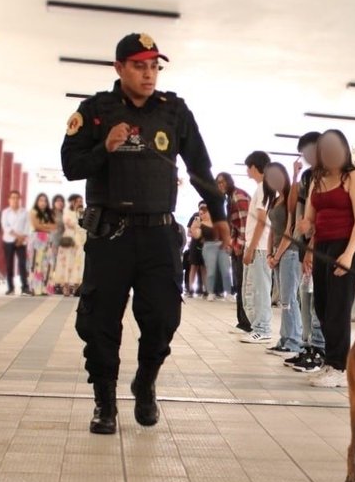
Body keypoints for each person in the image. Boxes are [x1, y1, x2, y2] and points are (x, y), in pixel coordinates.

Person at [61, 32, 229, 432]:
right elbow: (71, 165)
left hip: (158, 235)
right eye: (139, 65)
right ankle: (105, 403)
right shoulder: (95, 110)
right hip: (110, 236)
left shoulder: (174, 112)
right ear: (119, 68)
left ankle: (146, 381)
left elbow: (200, 167)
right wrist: (106, 148)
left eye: (154, 66)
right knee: (100, 321)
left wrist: (219, 213)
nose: (148, 73)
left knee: (163, 318)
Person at [300, 130, 355, 388]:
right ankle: (330, 362)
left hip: (345, 245)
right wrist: (306, 234)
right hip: (322, 247)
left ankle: (340, 367)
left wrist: (349, 254)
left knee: (338, 308)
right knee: (322, 306)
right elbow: (311, 217)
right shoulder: (316, 179)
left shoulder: (354, 177)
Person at [285, 132, 327, 373]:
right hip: (306, 245)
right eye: (305, 152)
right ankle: (308, 345)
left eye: (312, 150)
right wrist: (296, 175)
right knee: (306, 297)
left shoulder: (334, 175)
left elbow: (322, 217)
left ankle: (319, 348)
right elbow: (296, 208)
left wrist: (312, 248)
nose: (309, 156)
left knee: (319, 300)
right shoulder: (309, 175)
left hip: (321, 248)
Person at [264, 162, 300, 356]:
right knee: (284, 300)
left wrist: (276, 256)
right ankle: (285, 338)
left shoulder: (290, 199)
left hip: (290, 253)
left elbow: (290, 230)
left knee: (288, 299)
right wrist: (270, 254)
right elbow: (272, 230)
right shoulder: (275, 200)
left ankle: (293, 340)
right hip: (278, 254)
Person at [240, 150, 273, 343]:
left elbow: (262, 222)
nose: (247, 171)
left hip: (260, 247)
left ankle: (263, 327)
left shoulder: (263, 188)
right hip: (257, 246)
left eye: (248, 167)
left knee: (260, 288)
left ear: (254, 167)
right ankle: (257, 326)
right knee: (252, 288)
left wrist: (251, 248)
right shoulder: (262, 188)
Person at [217, 172, 252, 333]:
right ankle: (242, 322)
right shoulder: (230, 199)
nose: (220, 185)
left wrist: (240, 245)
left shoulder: (238, 196)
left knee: (244, 285)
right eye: (218, 183)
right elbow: (234, 226)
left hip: (244, 246)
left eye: (222, 182)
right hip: (238, 245)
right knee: (239, 284)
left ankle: (246, 323)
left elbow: (245, 224)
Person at [52, 194, 87, 296]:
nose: (81, 203)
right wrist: (79, 225)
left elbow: (85, 224)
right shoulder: (67, 212)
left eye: (81, 201)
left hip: (79, 241)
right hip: (69, 241)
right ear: (73, 202)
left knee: (77, 264)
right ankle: (65, 287)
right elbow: (71, 224)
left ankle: (76, 287)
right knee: (66, 263)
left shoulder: (82, 212)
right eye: (78, 201)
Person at [1, 190, 32, 296]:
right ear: (9, 200)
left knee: (22, 264)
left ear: (20, 199)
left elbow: (28, 227)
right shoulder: (5, 212)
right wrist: (18, 236)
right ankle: (10, 287)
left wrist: (22, 238)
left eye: (17, 198)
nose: (15, 200)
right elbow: (6, 227)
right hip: (9, 240)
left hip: (21, 242)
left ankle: (25, 287)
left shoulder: (25, 212)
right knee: (9, 264)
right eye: (12, 198)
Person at [26, 193, 57, 296]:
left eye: (45, 200)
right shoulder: (33, 211)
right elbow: (36, 226)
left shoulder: (50, 213)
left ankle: (45, 289)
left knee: (48, 264)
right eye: (40, 200)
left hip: (48, 240)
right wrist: (46, 226)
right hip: (36, 240)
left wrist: (43, 226)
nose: (43, 203)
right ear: (37, 201)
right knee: (36, 264)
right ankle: (35, 289)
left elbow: (54, 226)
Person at [199, 202, 231, 300]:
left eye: (205, 212)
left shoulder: (219, 221)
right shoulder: (200, 223)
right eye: (201, 213)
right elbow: (197, 235)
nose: (203, 214)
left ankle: (228, 292)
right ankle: (210, 292)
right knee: (211, 271)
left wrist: (228, 244)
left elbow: (226, 233)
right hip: (209, 246)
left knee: (225, 270)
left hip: (222, 245)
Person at [49, 194, 67, 291]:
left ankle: (60, 284)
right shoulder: (51, 214)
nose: (60, 203)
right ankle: (53, 285)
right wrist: (51, 243)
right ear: (54, 203)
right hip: (53, 240)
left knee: (61, 263)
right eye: (57, 201)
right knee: (54, 262)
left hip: (63, 241)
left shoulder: (65, 213)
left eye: (61, 201)